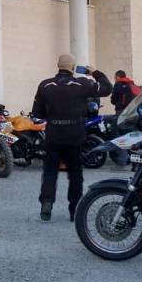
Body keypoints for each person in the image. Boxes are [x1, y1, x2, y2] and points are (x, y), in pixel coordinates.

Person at [32, 55, 112, 221]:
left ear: (58, 65)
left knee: (50, 172)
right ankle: (74, 208)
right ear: (74, 67)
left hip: (53, 134)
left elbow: (37, 113)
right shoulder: (82, 84)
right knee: (75, 173)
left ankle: (47, 202)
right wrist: (94, 73)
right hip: (74, 134)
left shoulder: (45, 85)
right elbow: (107, 88)